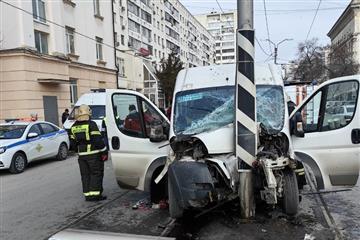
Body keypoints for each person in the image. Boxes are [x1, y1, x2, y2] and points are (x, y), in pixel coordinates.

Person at [69, 104, 108, 202]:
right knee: (96, 173)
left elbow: (72, 145)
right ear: (88, 113)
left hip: (81, 156)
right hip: (94, 154)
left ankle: (88, 195)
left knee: (85, 175)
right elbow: (98, 140)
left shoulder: (73, 127)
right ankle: (95, 195)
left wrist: (79, 149)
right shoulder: (91, 124)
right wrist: (104, 151)